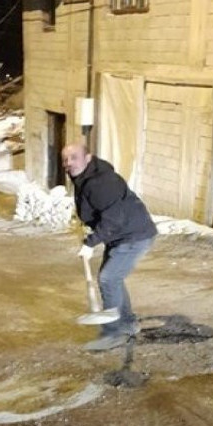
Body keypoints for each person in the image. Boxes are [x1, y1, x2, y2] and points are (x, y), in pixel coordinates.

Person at [61, 143, 159, 350]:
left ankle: (114, 333)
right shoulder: (85, 177)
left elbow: (114, 218)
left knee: (109, 278)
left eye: (74, 157)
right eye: (65, 159)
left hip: (133, 235)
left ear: (88, 158)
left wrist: (90, 243)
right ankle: (128, 323)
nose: (69, 163)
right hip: (120, 235)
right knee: (113, 278)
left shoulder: (101, 182)